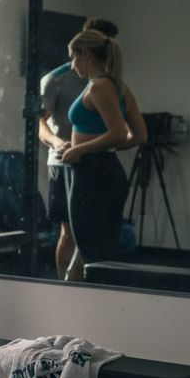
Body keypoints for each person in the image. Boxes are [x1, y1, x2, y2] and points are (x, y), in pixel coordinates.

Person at [60, 26, 147, 280]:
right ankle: (75, 296)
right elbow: (139, 136)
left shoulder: (100, 87)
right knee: (91, 250)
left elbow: (119, 133)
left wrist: (81, 149)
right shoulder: (119, 87)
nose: (72, 65)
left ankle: (86, 299)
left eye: (73, 57)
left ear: (85, 54)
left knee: (92, 252)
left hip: (94, 175)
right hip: (104, 171)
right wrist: (85, 147)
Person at [39, 18, 117, 280]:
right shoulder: (56, 79)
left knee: (97, 231)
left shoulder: (109, 81)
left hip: (97, 163)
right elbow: (39, 124)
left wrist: (114, 142)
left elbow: (123, 131)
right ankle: (66, 290)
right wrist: (57, 142)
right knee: (70, 230)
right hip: (64, 163)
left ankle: (90, 287)